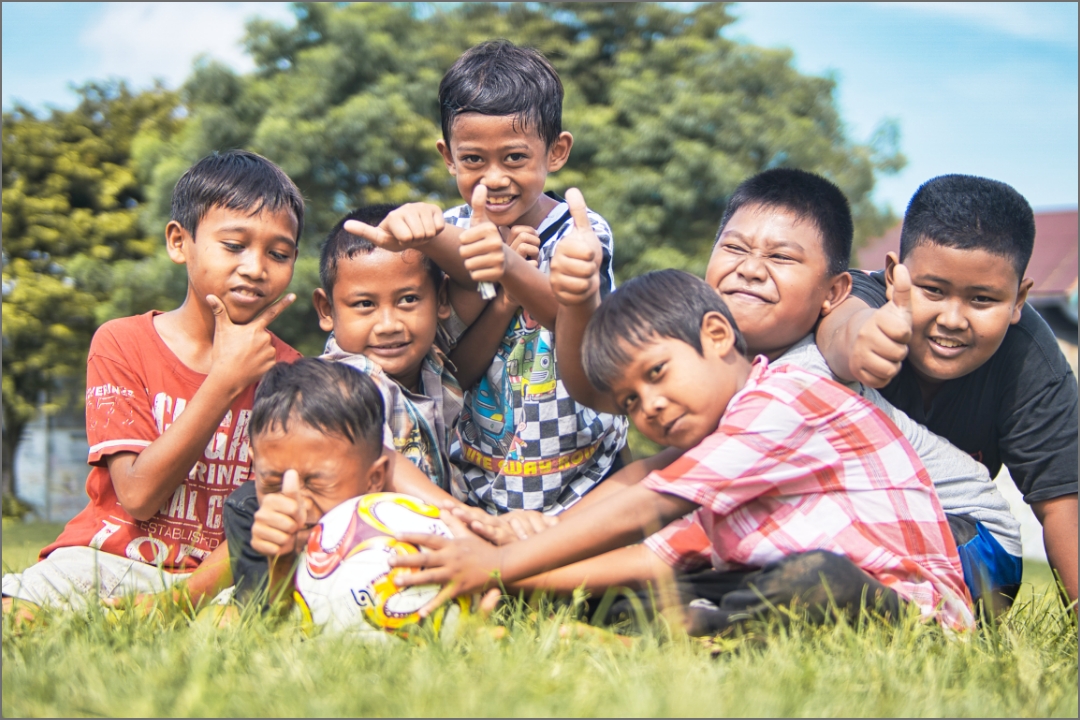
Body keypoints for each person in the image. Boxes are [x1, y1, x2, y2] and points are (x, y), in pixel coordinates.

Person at [390, 271, 974, 634]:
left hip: (901, 608)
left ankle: (697, 630)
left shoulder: (784, 400)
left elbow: (652, 499)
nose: (651, 407)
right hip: (766, 587)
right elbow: (656, 558)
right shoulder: (718, 454)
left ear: (717, 336)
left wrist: (496, 567)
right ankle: (688, 631)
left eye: (658, 373)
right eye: (630, 401)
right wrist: (528, 571)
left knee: (818, 581)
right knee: (614, 596)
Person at [547, 169, 1022, 614]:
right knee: (661, 588)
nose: (750, 270)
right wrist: (549, 529)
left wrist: (522, 555)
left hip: (966, 533)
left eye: (780, 257)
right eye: (734, 249)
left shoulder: (806, 377)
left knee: (806, 578)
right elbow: (652, 459)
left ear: (832, 292)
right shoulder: (716, 364)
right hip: (835, 532)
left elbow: (662, 491)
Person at [2, 150, 303, 613]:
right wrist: (225, 381)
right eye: (234, 245)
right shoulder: (123, 342)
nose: (256, 267)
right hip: (109, 559)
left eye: (278, 253)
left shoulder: (292, 372)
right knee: (18, 616)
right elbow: (138, 496)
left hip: (216, 575)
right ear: (179, 242)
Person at [346, 40, 627, 515]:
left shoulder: (582, 232)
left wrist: (511, 267)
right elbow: (457, 365)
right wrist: (423, 229)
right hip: (483, 479)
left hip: (587, 472)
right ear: (449, 156)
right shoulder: (455, 226)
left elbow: (570, 315)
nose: (493, 179)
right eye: (474, 159)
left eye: (514, 158)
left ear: (556, 152)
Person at [815, 174, 1078, 606]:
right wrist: (860, 340)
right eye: (932, 290)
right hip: (828, 512)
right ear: (891, 274)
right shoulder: (859, 302)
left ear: (1018, 300)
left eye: (982, 300)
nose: (953, 319)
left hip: (952, 536)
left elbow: (1063, 506)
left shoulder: (1033, 362)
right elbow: (842, 323)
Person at [241, 359, 392, 601]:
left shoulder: (402, 547)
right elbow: (275, 628)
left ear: (374, 478)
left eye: (318, 483)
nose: (295, 504)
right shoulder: (251, 522)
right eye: (272, 484)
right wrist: (280, 564)